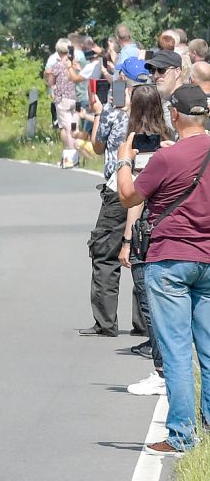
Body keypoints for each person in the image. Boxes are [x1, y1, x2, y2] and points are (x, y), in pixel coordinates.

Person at [115, 84, 210, 456]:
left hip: (170, 259)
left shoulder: (166, 160)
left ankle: (183, 435)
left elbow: (128, 196)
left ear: (175, 115)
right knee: (208, 349)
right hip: (207, 256)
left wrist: (125, 159)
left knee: (175, 352)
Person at [80, 58, 151, 339]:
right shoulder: (159, 110)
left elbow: (97, 146)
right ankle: (144, 322)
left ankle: (105, 321)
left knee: (105, 253)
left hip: (116, 188)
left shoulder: (114, 111)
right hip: (149, 185)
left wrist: (98, 113)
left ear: (122, 79)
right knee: (142, 251)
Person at [46, 40, 79, 167]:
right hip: (74, 98)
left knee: (67, 128)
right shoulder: (74, 64)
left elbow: (50, 82)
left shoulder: (58, 65)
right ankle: (75, 155)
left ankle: (71, 158)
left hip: (62, 100)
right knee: (74, 127)